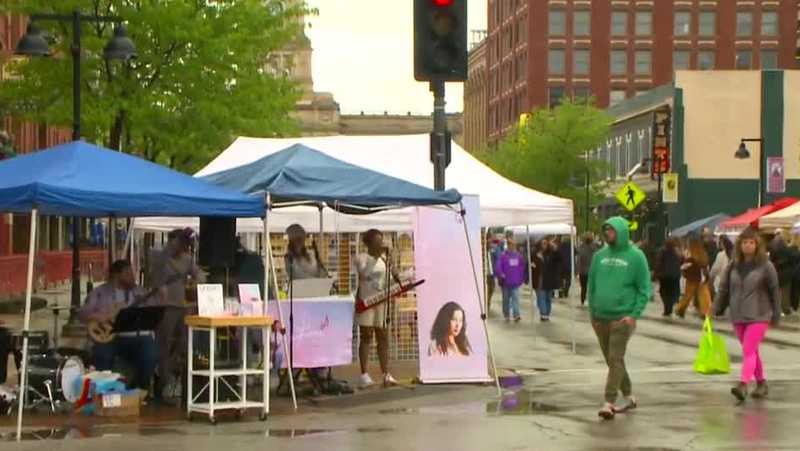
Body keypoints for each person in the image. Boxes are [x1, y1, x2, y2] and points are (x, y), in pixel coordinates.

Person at [587, 217, 652, 420]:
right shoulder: (599, 256)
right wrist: (592, 312)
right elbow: (592, 286)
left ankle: (609, 401)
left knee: (615, 358)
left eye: (612, 231)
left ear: (622, 232)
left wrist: (634, 315)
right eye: (606, 231)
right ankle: (629, 395)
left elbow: (644, 289)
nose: (609, 234)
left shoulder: (636, 257)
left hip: (622, 319)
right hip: (600, 318)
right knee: (613, 360)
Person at [713, 227, 780, 402]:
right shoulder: (732, 266)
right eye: (745, 242)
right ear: (739, 245)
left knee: (748, 350)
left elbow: (774, 290)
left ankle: (743, 384)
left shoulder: (766, 266)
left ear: (757, 245)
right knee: (752, 351)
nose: (748, 246)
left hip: (759, 314)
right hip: (738, 314)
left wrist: (776, 313)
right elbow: (724, 289)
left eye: (751, 242)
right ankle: (761, 383)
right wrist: (715, 308)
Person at [80, 260, 157, 390]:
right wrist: (101, 316)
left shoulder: (140, 292)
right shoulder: (100, 292)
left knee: (150, 354)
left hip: (136, 337)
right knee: (101, 353)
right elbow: (83, 313)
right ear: (117, 275)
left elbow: (154, 310)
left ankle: (140, 390)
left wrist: (160, 297)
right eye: (128, 274)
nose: (132, 277)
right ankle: (104, 390)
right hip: (109, 337)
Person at [148, 227, 199, 403]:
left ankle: (174, 378)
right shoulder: (158, 256)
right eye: (179, 242)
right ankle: (162, 385)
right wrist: (170, 248)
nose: (182, 246)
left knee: (183, 345)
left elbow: (198, 274)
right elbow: (155, 272)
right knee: (164, 345)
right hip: (164, 308)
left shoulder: (187, 259)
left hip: (182, 307)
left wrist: (197, 283)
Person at [355, 229, 398, 388]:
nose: (381, 244)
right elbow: (365, 273)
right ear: (369, 243)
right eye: (377, 241)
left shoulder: (385, 259)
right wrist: (376, 257)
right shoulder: (362, 258)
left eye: (382, 240)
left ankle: (386, 373)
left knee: (383, 336)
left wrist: (393, 269)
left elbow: (392, 278)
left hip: (382, 301)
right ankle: (364, 374)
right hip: (366, 300)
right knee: (366, 335)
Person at [676, 238, 712, 318]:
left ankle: (680, 309)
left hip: (691, 279)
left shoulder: (691, 256)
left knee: (687, 295)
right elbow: (706, 265)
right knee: (703, 296)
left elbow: (684, 267)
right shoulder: (703, 255)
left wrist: (683, 271)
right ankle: (705, 312)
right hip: (702, 278)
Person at [768, 229, 798, 317]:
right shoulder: (785, 246)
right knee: (785, 292)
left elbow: (771, 259)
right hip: (786, 271)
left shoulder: (771, 244)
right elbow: (791, 259)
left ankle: (777, 309)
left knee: (777, 291)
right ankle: (786, 310)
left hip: (776, 271)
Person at [495, 240, 527, 322]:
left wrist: (522, 278)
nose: (512, 247)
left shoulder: (519, 256)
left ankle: (516, 315)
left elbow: (522, 267)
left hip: (515, 283)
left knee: (515, 299)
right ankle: (506, 315)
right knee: (506, 300)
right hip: (505, 283)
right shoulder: (503, 256)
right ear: (508, 246)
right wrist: (501, 274)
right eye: (511, 245)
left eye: (514, 245)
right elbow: (498, 266)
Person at [655, 238, 682, 317]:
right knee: (672, 292)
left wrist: (655, 274)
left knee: (664, 292)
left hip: (665, 275)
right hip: (675, 275)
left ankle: (667, 308)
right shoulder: (677, 251)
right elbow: (681, 260)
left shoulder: (662, 251)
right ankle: (669, 307)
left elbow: (659, 262)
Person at [576, 233, 597, 306]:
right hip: (592, 271)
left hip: (583, 271)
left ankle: (583, 300)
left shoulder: (581, 248)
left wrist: (577, 271)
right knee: (592, 287)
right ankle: (591, 300)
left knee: (583, 287)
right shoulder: (595, 247)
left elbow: (579, 260)